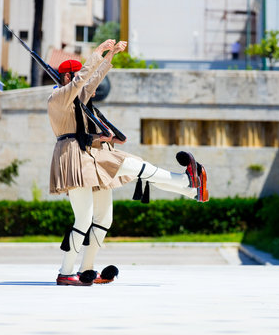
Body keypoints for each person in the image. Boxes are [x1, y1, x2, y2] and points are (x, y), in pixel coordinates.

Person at [48, 39, 209, 286]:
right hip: (73, 158)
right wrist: (96, 53)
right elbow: (82, 81)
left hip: (90, 155)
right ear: (66, 77)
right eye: (74, 74)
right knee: (84, 217)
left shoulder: (76, 98)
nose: (78, 78)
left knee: (105, 216)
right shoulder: (58, 97)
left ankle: (86, 269)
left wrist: (109, 56)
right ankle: (66, 272)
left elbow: (91, 82)